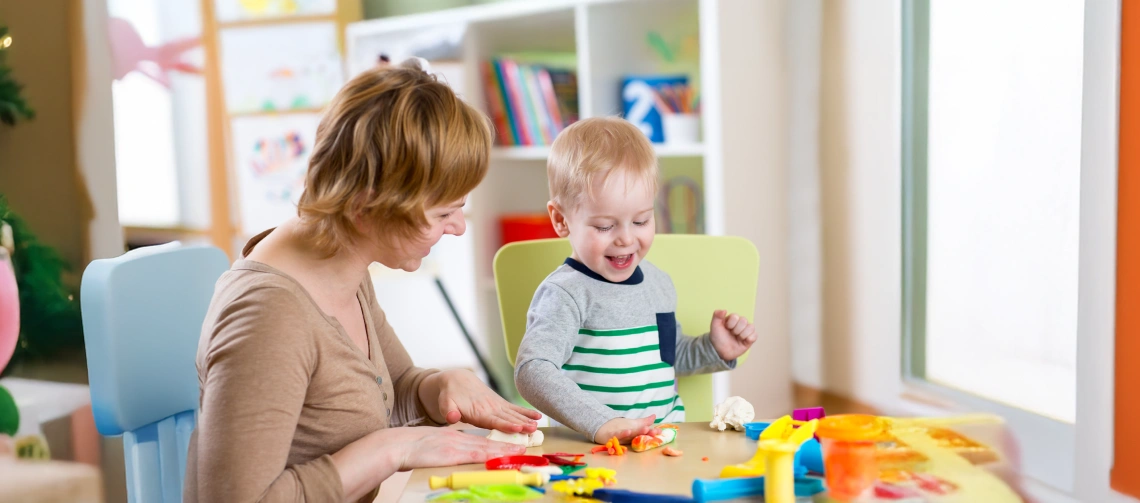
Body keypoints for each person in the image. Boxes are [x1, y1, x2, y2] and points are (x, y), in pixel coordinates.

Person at [186, 58, 541, 502]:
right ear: (366, 206)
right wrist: (391, 450)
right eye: (444, 213)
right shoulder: (268, 318)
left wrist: (439, 386)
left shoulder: (341, 263)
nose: (458, 228)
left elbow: (388, 390)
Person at [513, 117, 757, 444]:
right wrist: (603, 423)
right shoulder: (565, 294)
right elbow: (533, 371)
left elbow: (668, 359)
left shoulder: (658, 284)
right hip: (593, 449)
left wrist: (714, 349)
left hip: (665, 440)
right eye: (604, 226)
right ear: (560, 219)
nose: (626, 239)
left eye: (641, 220)